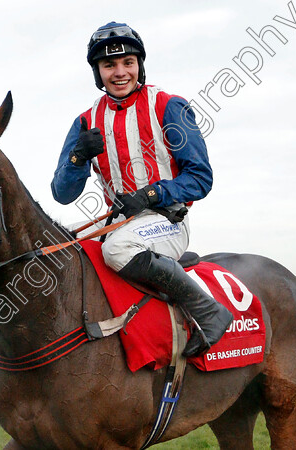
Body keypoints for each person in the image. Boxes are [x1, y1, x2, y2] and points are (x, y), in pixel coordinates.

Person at [50, 22, 232, 357]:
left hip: (166, 221)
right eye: (109, 65)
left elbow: (201, 178)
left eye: (128, 63)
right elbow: (62, 193)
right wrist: (78, 156)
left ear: (140, 65)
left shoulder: (168, 105)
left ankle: (209, 312)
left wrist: (149, 195)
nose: (120, 73)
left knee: (116, 250)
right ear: (98, 72)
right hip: (117, 226)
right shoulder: (86, 122)